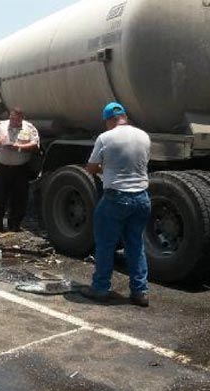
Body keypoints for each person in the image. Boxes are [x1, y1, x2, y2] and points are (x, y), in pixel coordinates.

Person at [82, 102, 152, 307]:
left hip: (116, 198)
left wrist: (106, 167)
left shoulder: (106, 137)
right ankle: (140, 292)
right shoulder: (143, 136)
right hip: (141, 198)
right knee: (135, 245)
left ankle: (100, 288)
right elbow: (142, 163)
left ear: (109, 120)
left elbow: (92, 168)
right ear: (125, 117)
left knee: (105, 244)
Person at [0, 108, 39, 232]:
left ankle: (15, 225)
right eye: (11, 118)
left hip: (20, 168)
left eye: (16, 119)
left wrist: (19, 147)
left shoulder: (29, 128)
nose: (13, 121)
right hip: (1, 167)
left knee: (19, 198)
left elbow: (35, 145)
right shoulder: (0, 125)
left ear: (21, 118)